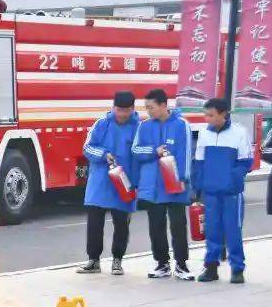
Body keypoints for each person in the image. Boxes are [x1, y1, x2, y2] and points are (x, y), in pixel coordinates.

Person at [132, 89, 194, 280]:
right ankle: (162, 263)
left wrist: (182, 179)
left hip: (175, 185)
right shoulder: (144, 126)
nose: (149, 111)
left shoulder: (181, 125)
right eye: (147, 108)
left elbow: (186, 153)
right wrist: (154, 150)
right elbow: (135, 150)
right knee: (156, 226)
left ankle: (181, 265)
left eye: (151, 107)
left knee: (178, 225)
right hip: (153, 187)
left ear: (163, 105)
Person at [77, 91, 140, 276]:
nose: (122, 114)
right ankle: (93, 260)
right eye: (119, 110)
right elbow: (87, 147)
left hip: (124, 181)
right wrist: (104, 155)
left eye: (126, 110)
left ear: (133, 109)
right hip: (100, 181)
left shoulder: (139, 127)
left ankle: (117, 260)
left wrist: (136, 183)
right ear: (113, 107)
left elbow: (140, 156)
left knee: (122, 223)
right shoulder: (102, 124)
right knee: (95, 222)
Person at [192, 98, 253, 284]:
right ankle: (211, 267)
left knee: (233, 230)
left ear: (223, 113)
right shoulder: (204, 133)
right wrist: (198, 187)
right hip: (211, 192)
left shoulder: (239, 133)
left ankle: (237, 269)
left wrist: (232, 181)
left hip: (231, 193)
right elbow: (199, 162)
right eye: (206, 114)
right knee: (212, 230)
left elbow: (245, 162)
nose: (207, 118)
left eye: (211, 115)